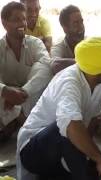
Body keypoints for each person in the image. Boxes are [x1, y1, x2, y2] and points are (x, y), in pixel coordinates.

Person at [17, 37, 101, 180]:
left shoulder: (100, 82)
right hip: (34, 151)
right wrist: (97, 158)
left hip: (63, 153)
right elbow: (71, 126)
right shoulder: (69, 82)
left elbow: (89, 123)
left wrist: (91, 158)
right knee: (64, 130)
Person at [0, 1, 52, 142]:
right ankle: (19, 120)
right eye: (16, 20)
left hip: (29, 96)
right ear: (4, 24)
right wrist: (5, 91)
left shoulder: (35, 43)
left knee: (41, 68)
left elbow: (46, 67)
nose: (23, 23)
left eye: (23, 19)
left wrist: (23, 91)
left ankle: (14, 122)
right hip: (6, 99)